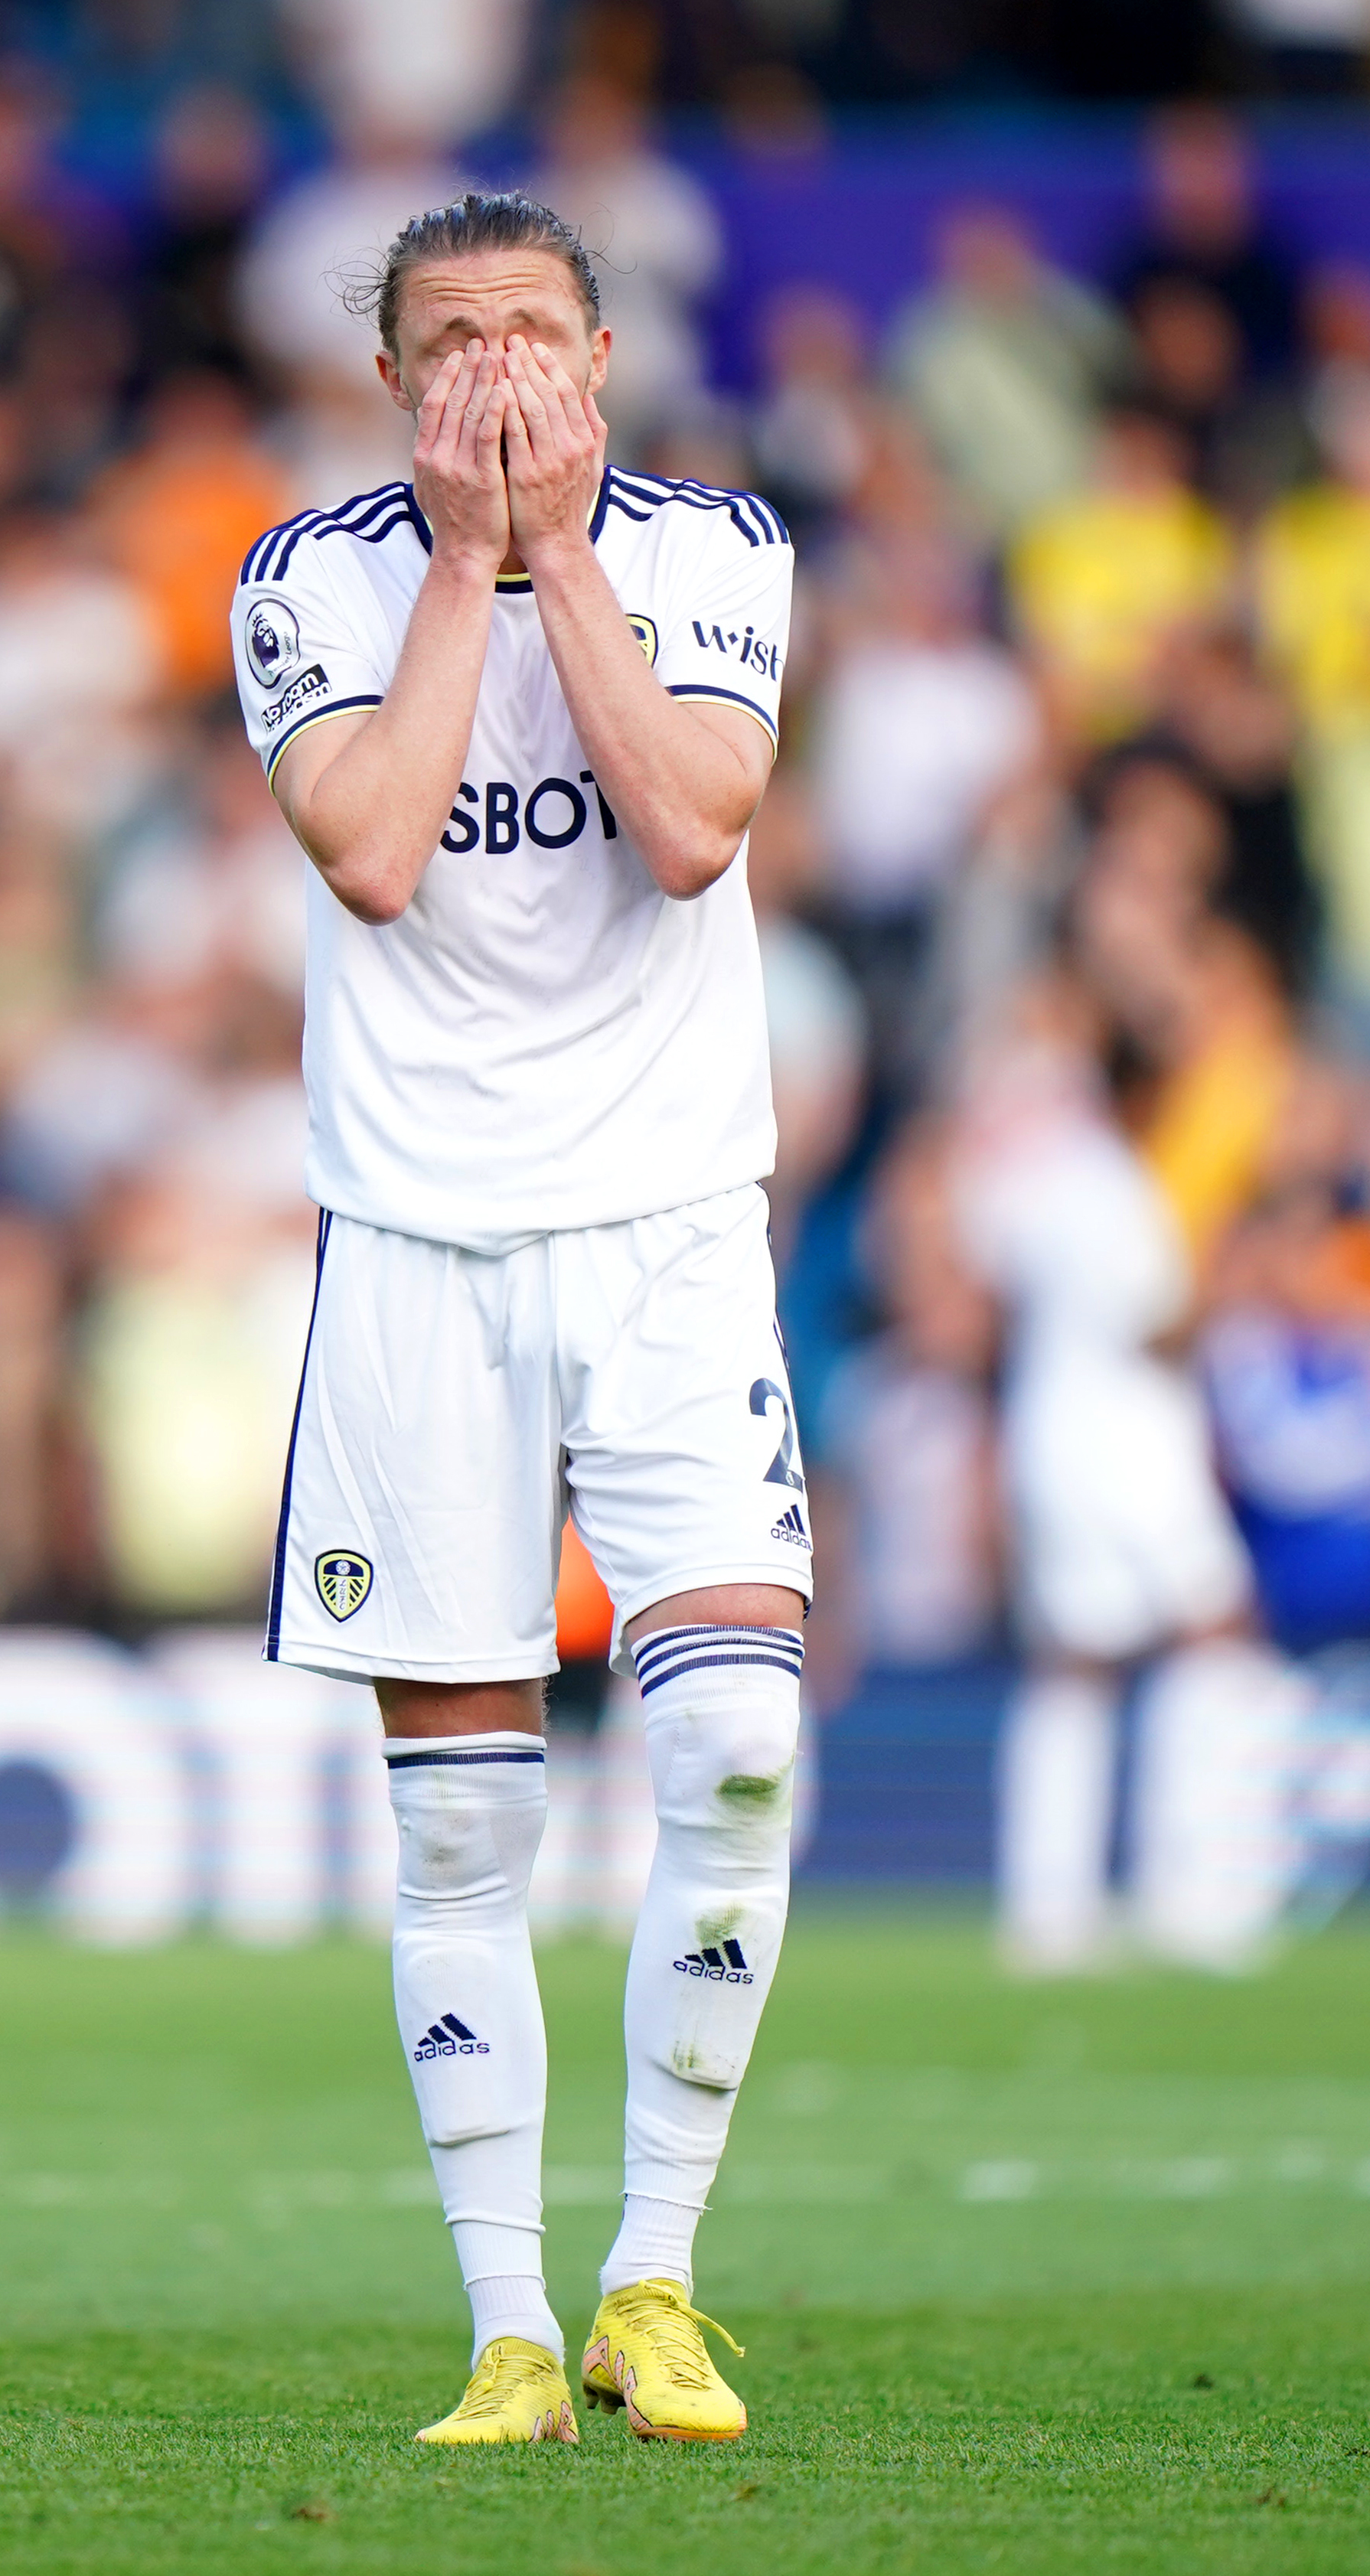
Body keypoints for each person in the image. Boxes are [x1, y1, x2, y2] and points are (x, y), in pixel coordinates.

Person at [235, 192, 807, 2447]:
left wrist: (554, 552)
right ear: (385, 382)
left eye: (529, 336)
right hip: (418, 1237)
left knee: (740, 1743)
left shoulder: (716, 547)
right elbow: (372, 847)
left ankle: (653, 2280)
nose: (490, 375)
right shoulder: (304, 576)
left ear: (601, 358)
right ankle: (501, 2327)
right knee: (463, 1825)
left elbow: (689, 825)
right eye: (445, 340)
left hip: (668, 1223)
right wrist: (467, 570)